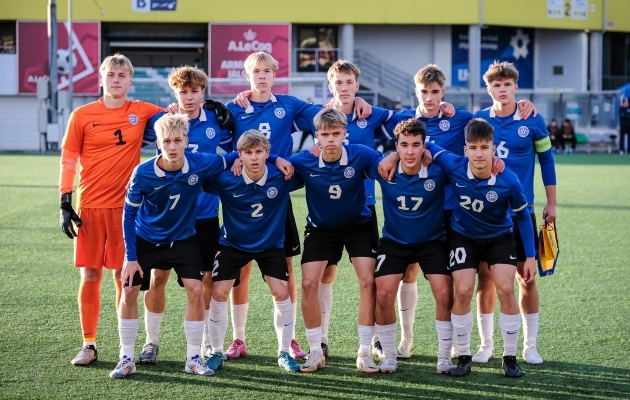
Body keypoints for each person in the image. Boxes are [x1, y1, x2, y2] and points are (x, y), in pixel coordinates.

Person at [377, 64, 535, 360]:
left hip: (457, 212)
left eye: (435, 92)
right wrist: (394, 153)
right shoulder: (405, 119)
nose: (430, 98)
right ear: (416, 92)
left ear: (443, 93)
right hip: (422, 208)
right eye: (424, 92)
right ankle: (406, 339)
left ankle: (457, 345)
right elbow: (387, 129)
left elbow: (489, 125)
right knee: (408, 273)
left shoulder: (461, 117)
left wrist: (522, 104)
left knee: (455, 282)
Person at [223, 52, 372, 361]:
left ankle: (289, 339)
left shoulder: (288, 106)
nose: (261, 76)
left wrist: (356, 103)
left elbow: (327, 117)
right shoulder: (233, 108)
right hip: (243, 195)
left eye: (267, 71)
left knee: (287, 266)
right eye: (256, 71)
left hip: (278, 195)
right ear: (247, 75)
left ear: (274, 74)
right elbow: (204, 125)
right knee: (241, 267)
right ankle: (238, 338)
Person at [111, 113, 237, 378]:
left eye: (177, 140)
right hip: (146, 239)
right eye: (166, 141)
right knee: (130, 289)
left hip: (182, 239)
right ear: (158, 142)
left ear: (186, 141)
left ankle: (193, 358)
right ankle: (126, 357)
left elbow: (235, 155)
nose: (171, 146)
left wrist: (275, 158)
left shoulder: (199, 162)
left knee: (195, 288)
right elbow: (128, 215)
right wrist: (130, 257)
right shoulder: (143, 173)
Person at [59, 54, 163, 365]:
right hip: (90, 206)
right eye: (111, 74)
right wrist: (65, 199)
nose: (116, 79)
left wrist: (218, 110)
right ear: (101, 79)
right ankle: (88, 344)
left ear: (130, 82)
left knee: (124, 276)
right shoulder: (81, 115)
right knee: (90, 274)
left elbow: (180, 113)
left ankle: (124, 346)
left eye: (122, 75)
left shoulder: (142, 111)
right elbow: (68, 159)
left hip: (126, 210)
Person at [137, 66, 234, 364]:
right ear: (174, 93)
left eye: (194, 91)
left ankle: (204, 341)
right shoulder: (160, 120)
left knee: (204, 280)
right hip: (165, 217)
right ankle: (151, 341)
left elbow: (232, 155)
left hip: (203, 213)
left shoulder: (217, 120)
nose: (189, 97)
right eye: (183, 92)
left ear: (203, 92)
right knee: (158, 278)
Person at [426, 118, 537, 378]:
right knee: (463, 290)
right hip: (463, 237)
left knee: (506, 288)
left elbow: (522, 215)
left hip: (499, 236)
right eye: (473, 147)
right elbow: (428, 144)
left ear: (493, 149)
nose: (478, 153)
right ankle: (464, 357)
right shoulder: (453, 165)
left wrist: (530, 256)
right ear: (464, 150)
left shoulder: (508, 179)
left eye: (484, 147)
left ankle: (509, 358)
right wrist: (392, 156)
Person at [472, 61, 556, 366]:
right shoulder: (480, 119)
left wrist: (552, 202)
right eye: (496, 85)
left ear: (516, 87)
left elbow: (547, 161)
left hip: (524, 211)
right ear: (489, 88)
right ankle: (486, 345)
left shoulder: (533, 120)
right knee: (486, 280)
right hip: (488, 212)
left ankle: (530, 345)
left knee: (526, 278)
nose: (502, 90)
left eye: (507, 85)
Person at [201, 130, 304, 374]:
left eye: (259, 152)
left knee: (281, 292)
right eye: (248, 152)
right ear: (240, 155)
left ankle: (283, 352)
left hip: (270, 245)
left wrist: (277, 159)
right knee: (219, 293)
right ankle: (216, 350)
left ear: (267, 153)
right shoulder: (226, 177)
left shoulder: (282, 175)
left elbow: (308, 165)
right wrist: (229, 159)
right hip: (233, 244)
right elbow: (201, 171)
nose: (254, 157)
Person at [289, 108, 382, 374]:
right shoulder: (304, 160)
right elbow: (276, 165)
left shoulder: (361, 154)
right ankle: (315, 351)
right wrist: (274, 159)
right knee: (308, 283)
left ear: (345, 134)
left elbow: (387, 163)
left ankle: (364, 352)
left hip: (358, 226)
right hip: (320, 229)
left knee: (368, 281)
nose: (330, 139)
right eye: (324, 134)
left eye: (336, 134)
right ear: (316, 135)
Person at [365, 118, 452, 374]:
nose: (410, 151)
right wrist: (390, 157)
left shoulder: (438, 170)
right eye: (404, 145)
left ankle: (445, 356)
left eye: (416, 145)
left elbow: (464, 162)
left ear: (425, 146)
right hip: (394, 241)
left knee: (445, 293)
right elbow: (354, 156)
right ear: (397, 146)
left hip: (432, 241)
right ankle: (390, 354)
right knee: (382, 292)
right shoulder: (384, 169)